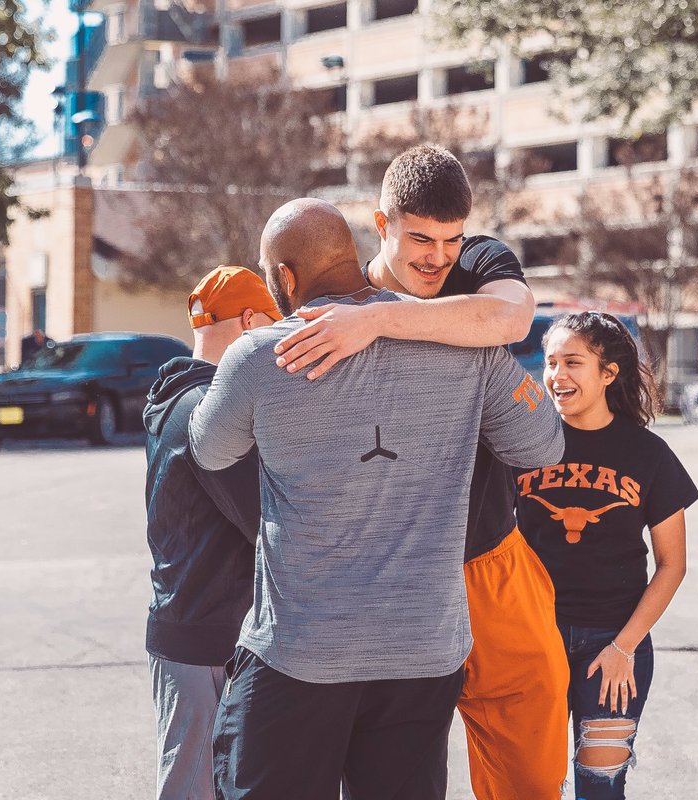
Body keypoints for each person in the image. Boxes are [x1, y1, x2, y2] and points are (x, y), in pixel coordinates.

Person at [188, 198, 566, 800]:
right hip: (424, 652)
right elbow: (543, 445)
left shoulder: (260, 356)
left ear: (284, 278)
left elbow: (209, 450)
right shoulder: (465, 344)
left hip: (303, 651)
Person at [514, 311, 698, 799]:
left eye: (573, 362)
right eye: (551, 362)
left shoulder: (648, 454)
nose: (557, 375)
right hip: (533, 640)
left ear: (609, 372)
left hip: (614, 644)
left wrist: (624, 649)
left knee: (600, 785)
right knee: (532, 783)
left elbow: (672, 564)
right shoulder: (523, 443)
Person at [142, 266, 281, 800]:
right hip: (204, 639)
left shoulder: (172, 397)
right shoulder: (209, 411)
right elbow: (262, 517)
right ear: (249, 322)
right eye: (272, 325)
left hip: (186, 625)